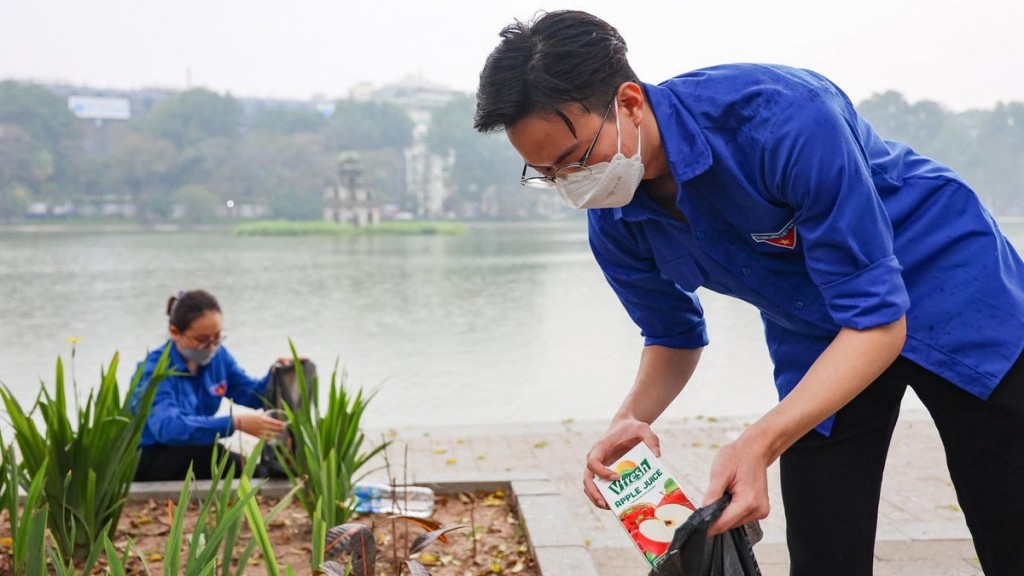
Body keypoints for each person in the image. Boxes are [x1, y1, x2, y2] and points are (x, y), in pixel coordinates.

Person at [474, 10, 1024, 575]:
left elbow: (879, 321)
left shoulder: (782, 119)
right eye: (547, 174)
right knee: (824, 546)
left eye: (575, 160)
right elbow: (672, 337)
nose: (571, 185)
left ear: (629, 103)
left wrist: (758, 441)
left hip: (953, 287)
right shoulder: (615, 218)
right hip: (817, 333)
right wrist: (628, 421)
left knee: (1009, 519)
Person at [131, 289, 288, 481]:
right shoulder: (154, 372)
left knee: (216, 455)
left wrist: (280, 374)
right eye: (202, 340)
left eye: (217, 337)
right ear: (175, 332)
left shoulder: (218, 357)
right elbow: (168, 429)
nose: (212, 347)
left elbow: (252, 394)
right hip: (149, 457)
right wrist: (236, 423)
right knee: (213, 455)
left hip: (191, 450)